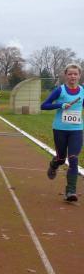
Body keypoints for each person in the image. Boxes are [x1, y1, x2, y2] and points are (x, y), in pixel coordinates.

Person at [41, 64, 83, 202]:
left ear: (79, 76)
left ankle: (70, 191)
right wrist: (60, 105)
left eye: (75, 74)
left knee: (73, 158)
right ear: (66, 75)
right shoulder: (60, 90)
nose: (72, 76)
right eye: (70, 74)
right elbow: (44, 105)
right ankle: (54, 165)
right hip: (60, 129)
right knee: (61, 158)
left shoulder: (82, 91)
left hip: (76, 130)